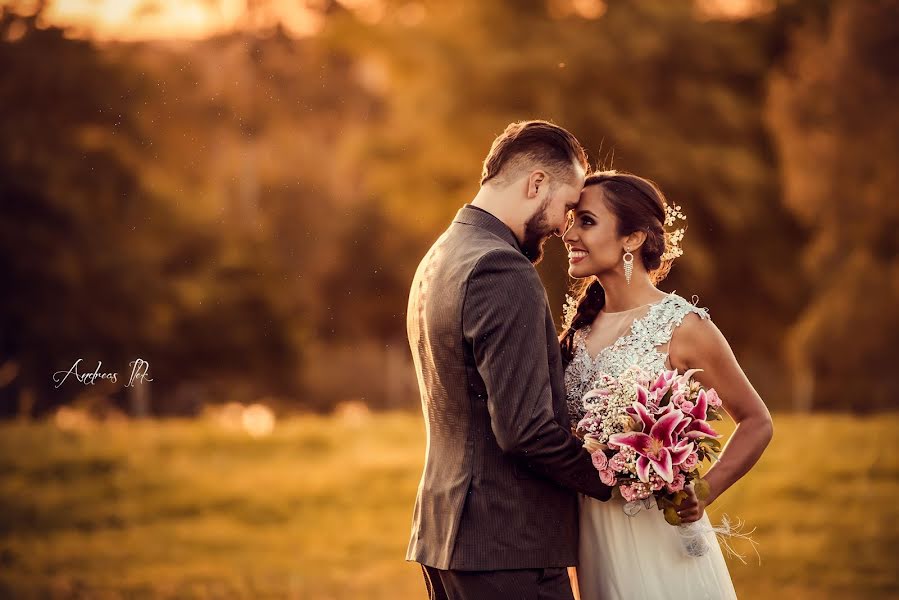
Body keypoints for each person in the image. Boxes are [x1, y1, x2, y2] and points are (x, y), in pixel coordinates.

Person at [405, 120, 613, 600]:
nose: (566, 226)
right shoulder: (502, 268)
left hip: (447, 538)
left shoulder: (442, 255)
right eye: (566, 206)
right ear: (535, 183)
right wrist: (615, 479)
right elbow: (526, 430)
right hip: (507, 547)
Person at [560, 170, 774, 599]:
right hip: (590, 532)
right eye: (570, 220)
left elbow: (756, 421)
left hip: (657, 538)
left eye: (586, 221)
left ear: (633, 238)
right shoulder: (576, 331)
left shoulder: (684, 325)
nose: (568, 234)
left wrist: (704, 490)